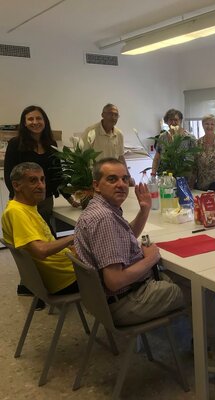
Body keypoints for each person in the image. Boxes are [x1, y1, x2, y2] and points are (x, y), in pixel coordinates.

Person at [74, 158, 215, 373]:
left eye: (124, 179)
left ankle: (202, 343)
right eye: (112, 179)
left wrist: (144, 209)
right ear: (96, 185)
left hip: (107, 300)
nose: (121, 184)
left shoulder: (98, 209)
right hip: (127, 301)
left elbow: (125, 236)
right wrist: (151, 258)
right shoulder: (105, 219)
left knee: (187, 279)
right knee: (203, 288)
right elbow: (114, 281)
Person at [3, 105, 78, 297]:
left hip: (44, 201)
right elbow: (10, 176)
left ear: (45, 122)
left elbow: (57, 176)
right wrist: (23, 200)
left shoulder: (50, 144)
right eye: (30, 119)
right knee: (32, 245)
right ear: (24, 122)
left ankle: (39, 283)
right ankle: (32, 285)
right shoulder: (16, 144)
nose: (35, 122)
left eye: (39, 118)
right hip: (25, 202)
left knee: (46, 237)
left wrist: (70, 198)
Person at [2, 162, 79, 310]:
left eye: (42, 179)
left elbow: (43, 243)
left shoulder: (26, 207)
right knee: (117, 268)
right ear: (16, 185)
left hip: (65, 272)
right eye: (33, 180)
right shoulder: (17, 212)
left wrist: (70, 249)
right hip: (66, 279)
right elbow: (41, 250)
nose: (41, 186)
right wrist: (74, 236)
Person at [81, 104, 134, 185]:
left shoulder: (119, 134)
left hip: (113, 177)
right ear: (103, 115)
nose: (113, 117)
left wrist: (128, 177)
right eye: (110, 114)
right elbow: (84, 156)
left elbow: (120, 157)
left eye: (116, 115)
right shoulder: (91, 131)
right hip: (96, 177)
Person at [151, 108, 197, 186]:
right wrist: (153, 173)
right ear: (167, 121)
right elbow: (157, 158)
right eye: (170, 120)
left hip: (184, 176)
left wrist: (193, 178)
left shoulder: (189, 137)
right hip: (166, 176)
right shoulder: (162, 137)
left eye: (176, 120)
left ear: (180, 121)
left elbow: (196, 159)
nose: (173, 122)